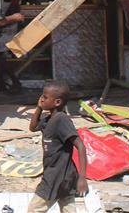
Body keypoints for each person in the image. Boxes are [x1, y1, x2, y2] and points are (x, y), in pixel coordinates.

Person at [28, 80, 89, 213]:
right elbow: (32, 127)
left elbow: (80, 146)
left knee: (34, 209)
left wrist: (82, 177)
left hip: (56, 176)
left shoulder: (61, 120)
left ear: (57, 102)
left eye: (45, 97)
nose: (41, 99)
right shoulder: (49, 119)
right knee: (68, 207)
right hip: (63, 175)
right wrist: (38, 107)